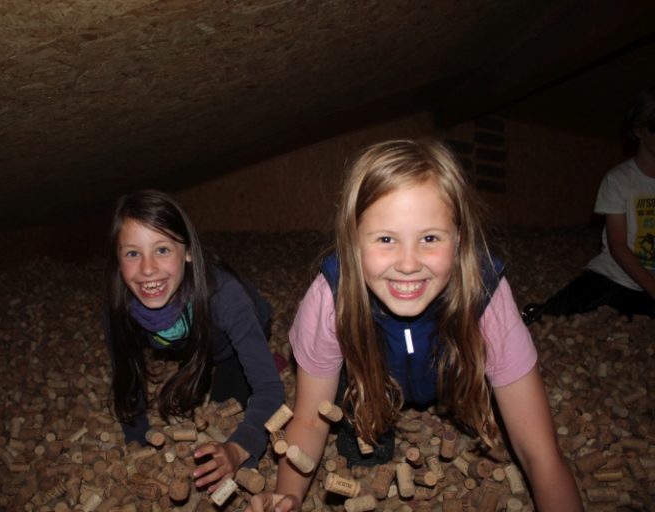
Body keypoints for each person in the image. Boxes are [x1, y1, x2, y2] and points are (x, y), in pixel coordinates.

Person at [245, 139, 582, 511]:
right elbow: (311, 419)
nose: (408, 264)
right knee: (362, 450)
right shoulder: (331, 297)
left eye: (430, 238)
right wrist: (289, 495)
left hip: (450, 373)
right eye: (386, 239)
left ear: (460, 239)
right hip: (368, 378)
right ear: (353, 241)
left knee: (490, 423)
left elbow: (540, 452)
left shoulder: (486, 295)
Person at [104, 189, 285, 492]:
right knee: (191, 375)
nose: (147, 269)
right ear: (118, 261)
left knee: (227, 405)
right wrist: (137, 441)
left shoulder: (226, 297)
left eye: (162, 250)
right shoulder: (119, 308)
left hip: (231, 336)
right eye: (133, 253)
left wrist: (239, 448)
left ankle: (263, 355)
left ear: (188, 252)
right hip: (190, 339)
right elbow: (127, 376)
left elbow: (270, 389)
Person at [522, 86, 655, 324]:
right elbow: (618, 248)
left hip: (646, 286)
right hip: (614, 276)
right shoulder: (619, 180)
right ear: (639, 130)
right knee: (551, 315)